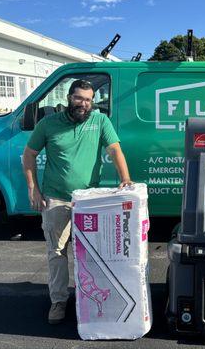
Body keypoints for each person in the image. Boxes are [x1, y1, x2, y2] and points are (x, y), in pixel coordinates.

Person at [22, 79, 133, 324]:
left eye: (88, 100)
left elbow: (114, 149)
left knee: (94, 253)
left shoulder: (100, 120)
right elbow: (29, 155)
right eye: (79, 98)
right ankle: (59, 300)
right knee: (57, 251)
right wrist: (33, 189)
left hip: (88, 201)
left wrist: (125, 178)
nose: (84, 104)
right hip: (56, 199)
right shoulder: (48, 124)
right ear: (69, 97)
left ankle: (93, 299)